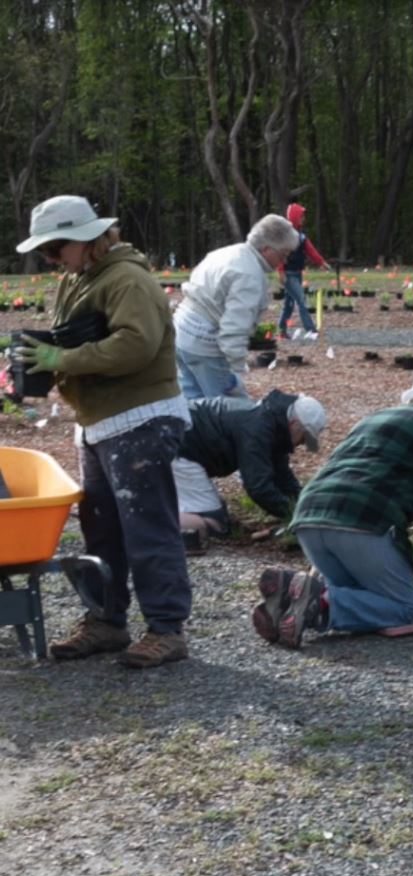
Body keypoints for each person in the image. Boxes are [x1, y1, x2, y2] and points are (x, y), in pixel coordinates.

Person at [14, 195, 192, 668]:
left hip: (141, 417)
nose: (51, 259)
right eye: (47, 252)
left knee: (146, 526)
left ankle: (167, 628)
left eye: (56, 249)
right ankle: (106, 621)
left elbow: (135, 346)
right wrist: (40, 363)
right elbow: (74, 339)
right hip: (100, 421)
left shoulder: (127, 279)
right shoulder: (79, 279)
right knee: (102, 529)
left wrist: (63, 360)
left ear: (88, 238)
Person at [253, 375, 413, 648]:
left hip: (309, 516)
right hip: (362, 520)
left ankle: (289, 604)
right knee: (402, 608)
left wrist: (408, 572)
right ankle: (321, 603)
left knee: (358, 592)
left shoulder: (372, 419)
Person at [173, 214, 299, 400]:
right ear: (266, 249)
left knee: (192, 400)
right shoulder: (250, 276)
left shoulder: (227, 252)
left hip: (181, 330)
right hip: (204, 341)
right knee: (227, 407)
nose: (284, 261)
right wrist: (237, 367)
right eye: (283, 254)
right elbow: (235, 327)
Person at [173, 390, 326, 542]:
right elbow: (258, 487)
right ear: (293, 424)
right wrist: (297, 515)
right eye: (304, 438)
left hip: (180, 441)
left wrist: (305, 505)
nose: (302, 444)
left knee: (219, 516)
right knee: (215, 525)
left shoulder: (272, 423)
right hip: (179, 448)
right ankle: (154, 522)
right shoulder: (257, 430)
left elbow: (283, 478)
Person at [278, 203, 330, 339]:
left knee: (289, 304)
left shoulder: (301, 235)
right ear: (294, 217)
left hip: (298, 273)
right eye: (301, 216)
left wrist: (321, 262)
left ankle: (282, 330)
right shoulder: (285, 236)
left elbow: (310, 250)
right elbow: (279, 254)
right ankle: (311, 330)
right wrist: (281, 272)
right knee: (301, 300)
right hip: (288, 275)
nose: (303, 218)